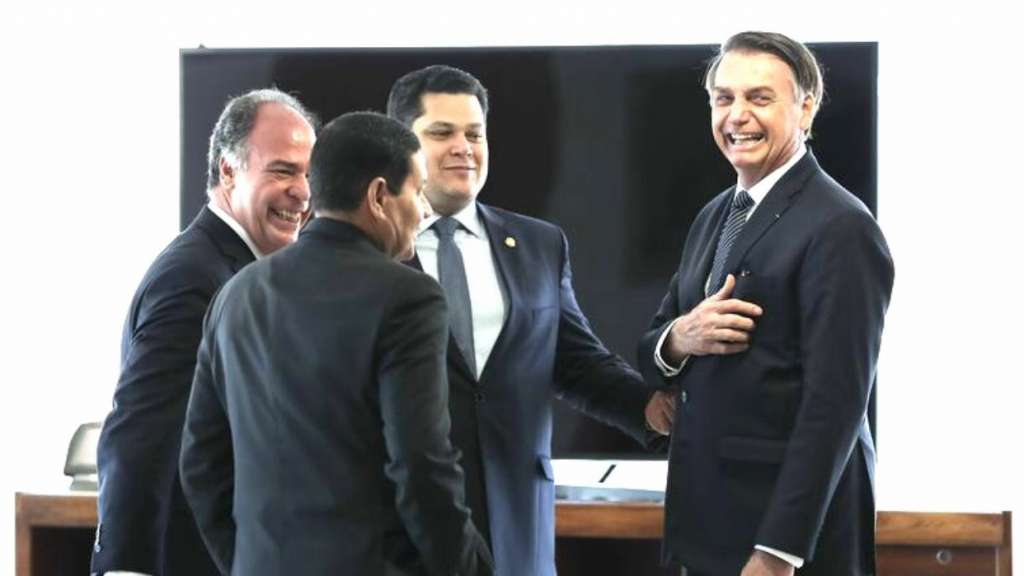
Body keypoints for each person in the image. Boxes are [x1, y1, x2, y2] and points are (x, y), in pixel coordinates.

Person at [386, 65, 675, 576]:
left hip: (518, 522)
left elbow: (577, 362)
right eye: (442, 133)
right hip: (403, 528)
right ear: (400, 145)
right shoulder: (371, 251)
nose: (463, 147)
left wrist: (652, 409)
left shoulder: (539, 244)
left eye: (475, 134)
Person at [179, 111, 493, 576]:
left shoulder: (236, 294)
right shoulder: (408, 296)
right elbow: (421, 466)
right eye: (418, 191)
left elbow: (201, 465)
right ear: (379, 196)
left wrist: (245, 562)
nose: (425, 211)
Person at [638, 32, 894, 576]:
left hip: (784, 546)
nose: (737, 115)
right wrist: (679, 339)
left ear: (806, 108)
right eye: (724, 98)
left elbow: (835, 406)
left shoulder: (843, 227)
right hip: (707, 529)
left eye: (759, 97)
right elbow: (654, 344)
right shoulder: (714, 215)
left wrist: (779, 551)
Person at [92, 88, 316, 576]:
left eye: (307, 173)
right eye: (283, 170)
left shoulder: (239, 273)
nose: (302, 191)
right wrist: (128, 567)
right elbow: (143, 436)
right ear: (228, 171)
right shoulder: (195, 278)